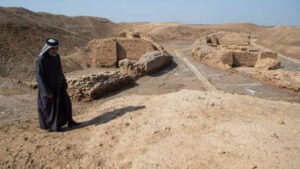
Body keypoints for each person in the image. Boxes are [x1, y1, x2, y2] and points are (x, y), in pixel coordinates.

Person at [35, 38, 81, 132]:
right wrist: (47, 92)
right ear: (48, 49)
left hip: (60, 87)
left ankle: (70, 121)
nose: (55, 50)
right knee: (52, 109)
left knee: (66, 104)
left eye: (57, 48)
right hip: (49, 89)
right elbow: (40, 77)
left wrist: (64, 82)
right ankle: (53, 127)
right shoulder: (41, 60)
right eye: (53, 48)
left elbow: (60, 71)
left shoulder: (56, 57)